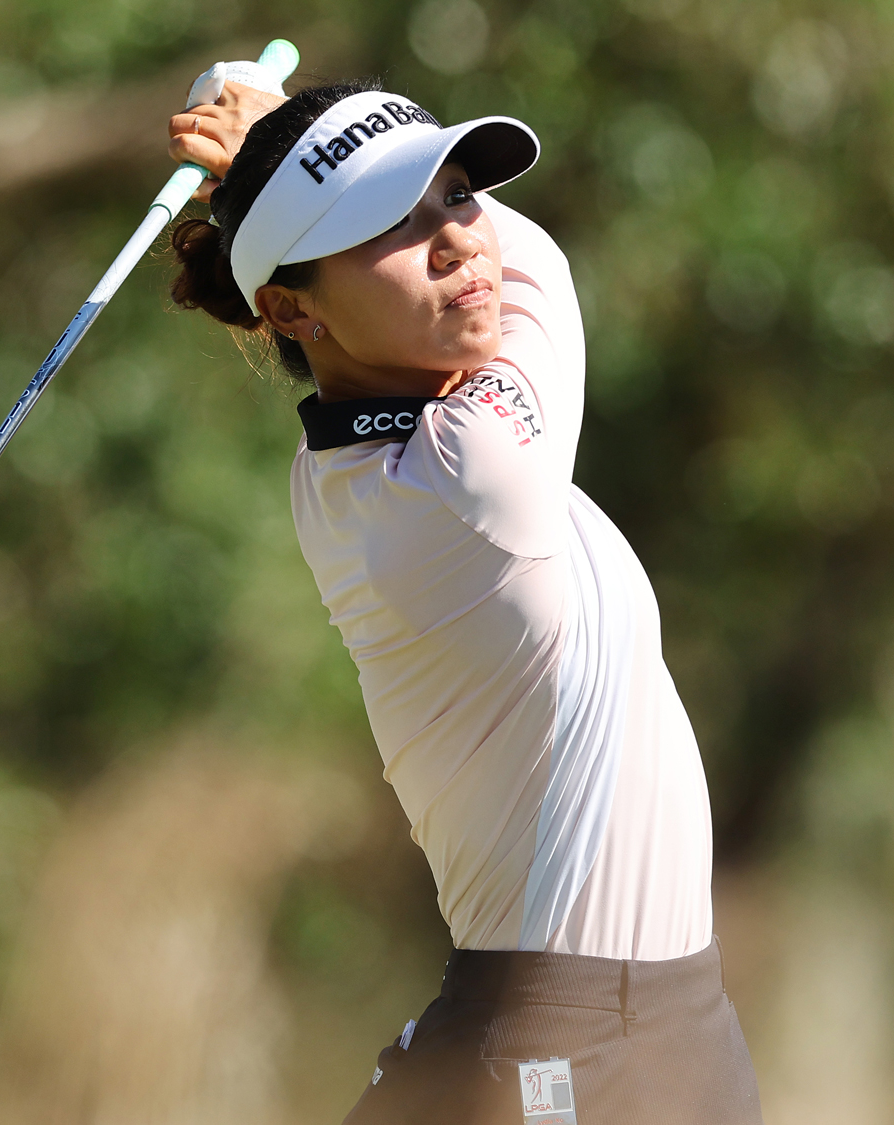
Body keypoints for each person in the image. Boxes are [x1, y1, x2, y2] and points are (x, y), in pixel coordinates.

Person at [165, 72, 763, 1125]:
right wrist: (280, 141)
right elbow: (539, 267)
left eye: (455, 196)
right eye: (388, 226)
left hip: (667, 1033)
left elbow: (491, 264)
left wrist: (285, 159)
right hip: (566, 1051)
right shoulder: (466, 469)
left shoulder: (348, 467)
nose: (456, 242)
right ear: (289, 308)